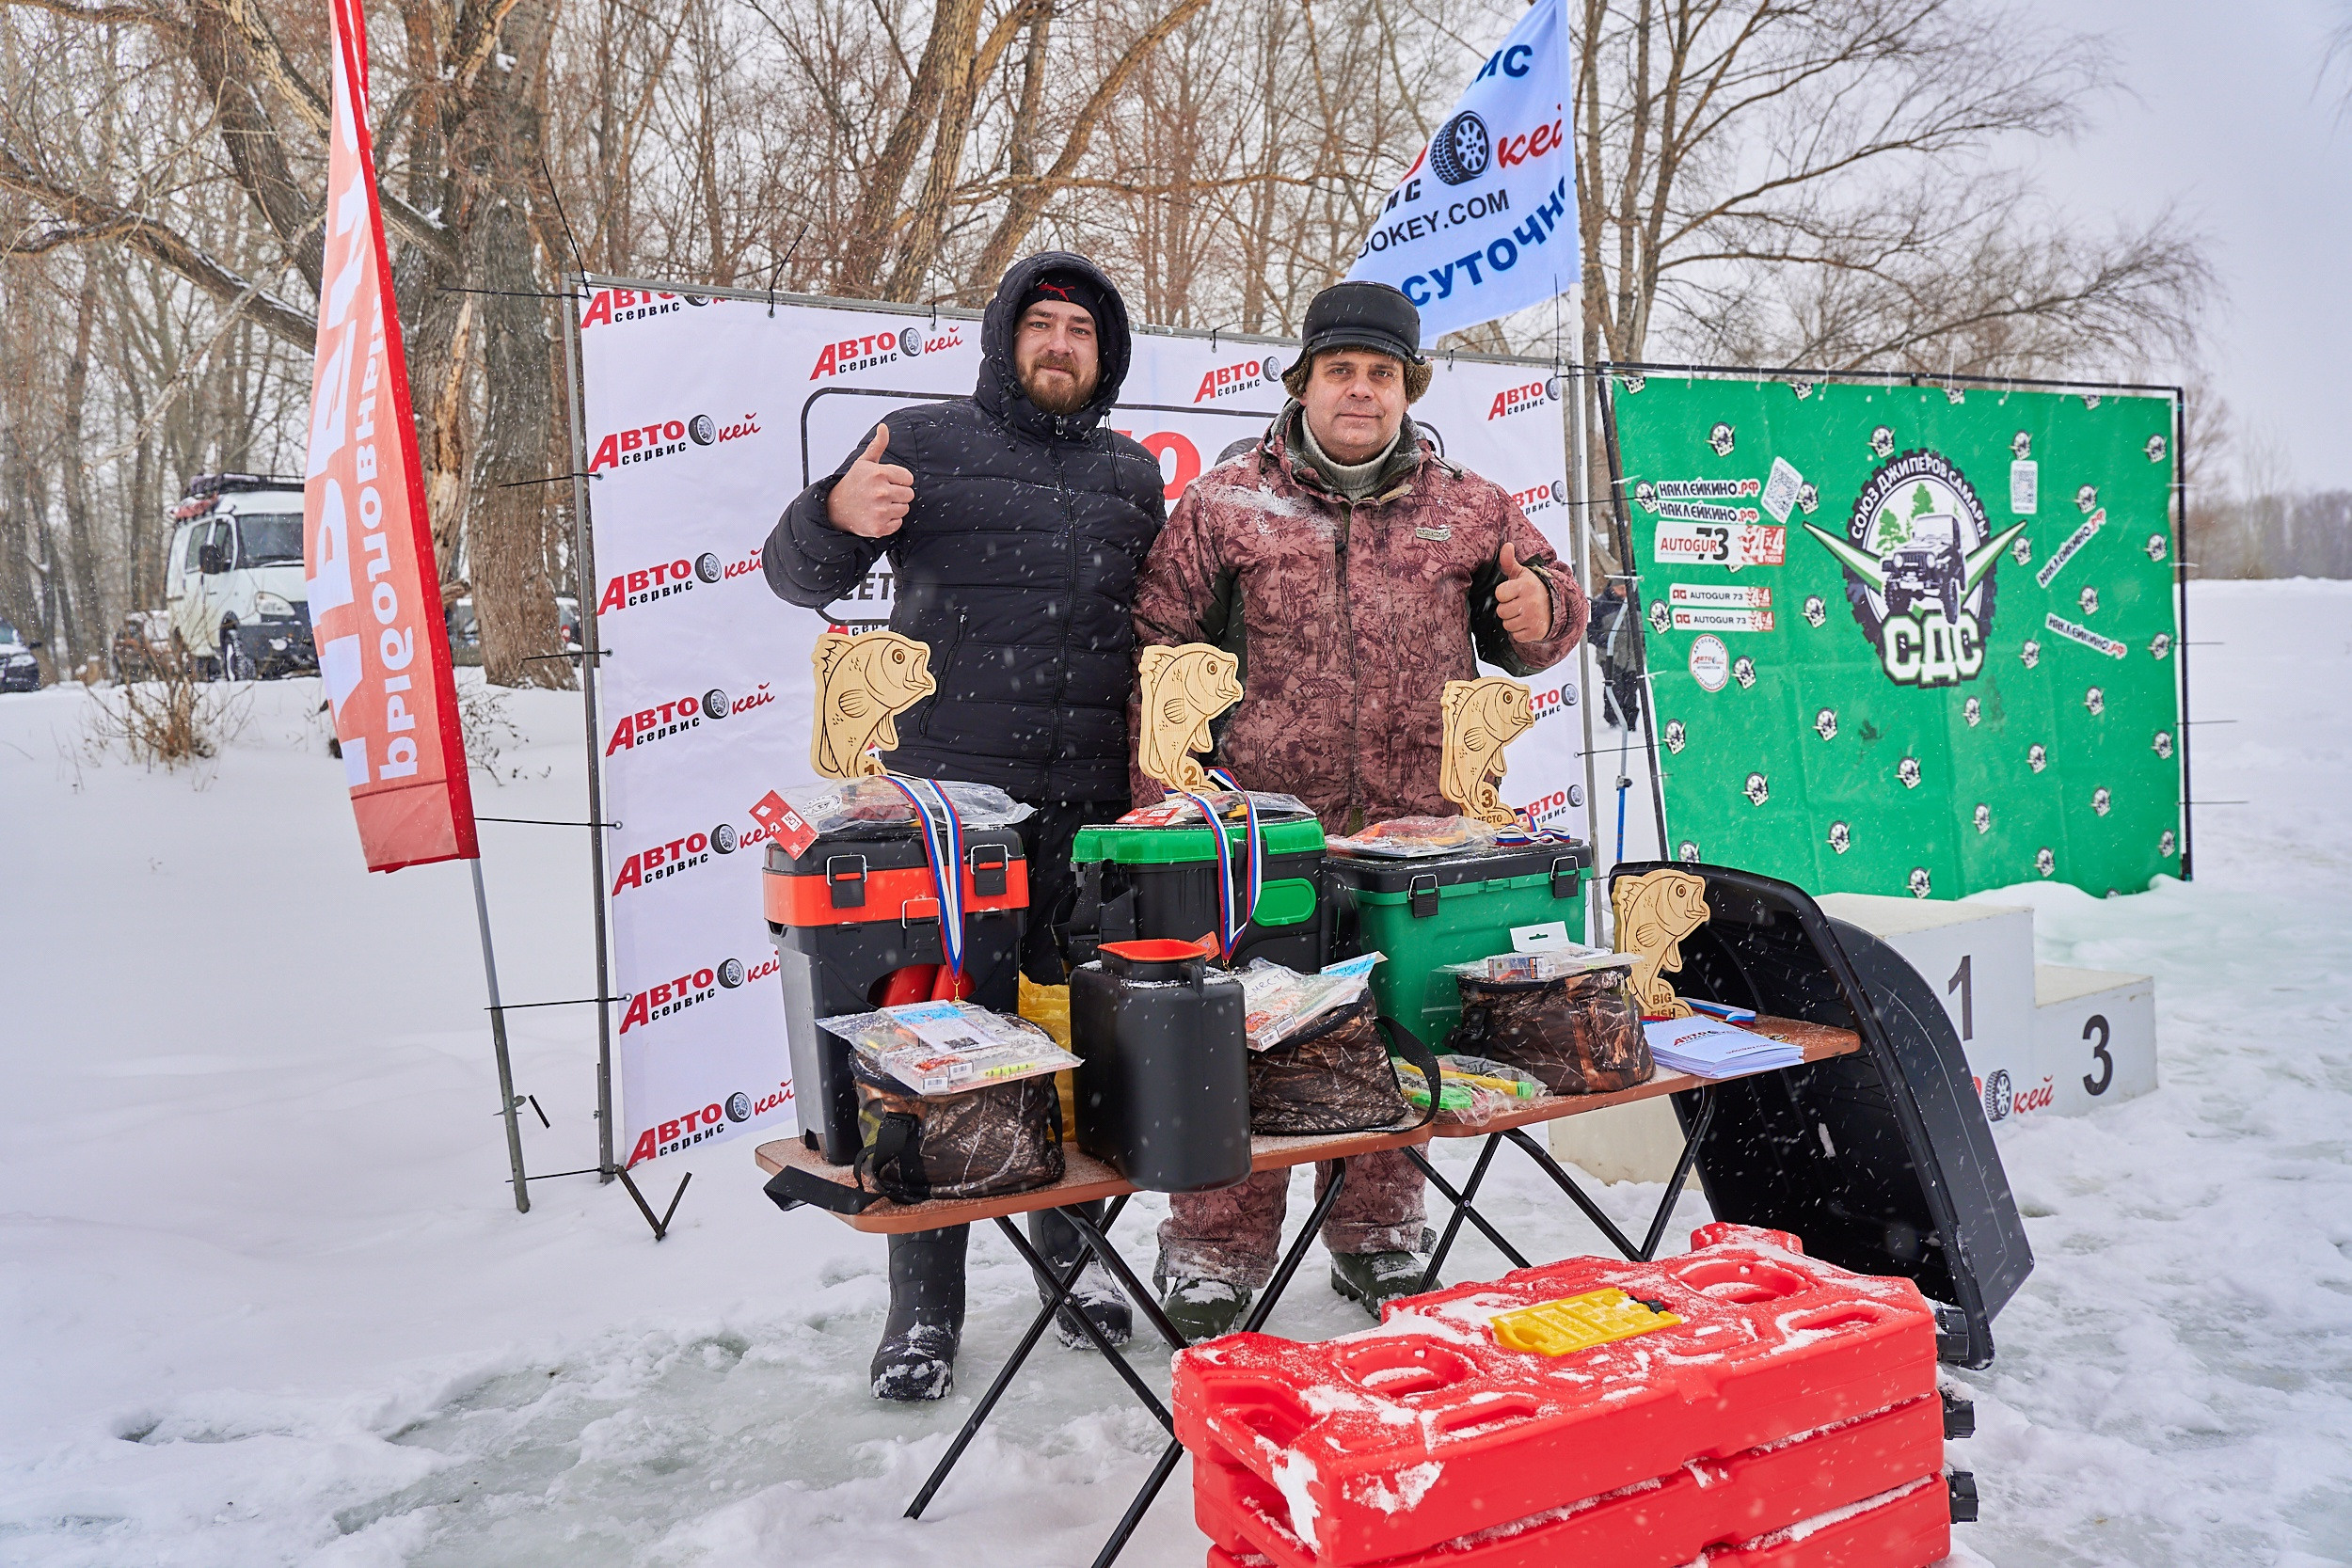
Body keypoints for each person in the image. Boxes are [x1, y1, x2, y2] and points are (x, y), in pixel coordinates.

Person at [1130, 279, 1588, 1339]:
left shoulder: (1467, 504)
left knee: (1393, 1030)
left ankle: (1377, 1230)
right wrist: (1169, 810)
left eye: (1382, 373)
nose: (1361, 390)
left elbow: (1550, 608)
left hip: (1413, 832)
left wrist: (1544, 609)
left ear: (1406, 389)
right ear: (1302, 382)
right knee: (1247, 1032)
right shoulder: (1226, 501)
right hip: (1263, 835)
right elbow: (1158, 645)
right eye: (1341, 369)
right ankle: (1211, 1246)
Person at [764, 253, 1165, 1400]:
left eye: (1079, 330)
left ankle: (1071, 1262)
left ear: (1105, 355)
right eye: (1037, 324)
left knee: (1080, 1051)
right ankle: (921, 1309)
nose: (1057, 343)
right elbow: (795, 574)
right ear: (1004, 340)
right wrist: (828, 514)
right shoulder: (919, 442)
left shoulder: (1134, 474)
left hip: (1091, 816)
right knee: (930, 1060)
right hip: (950, 822)